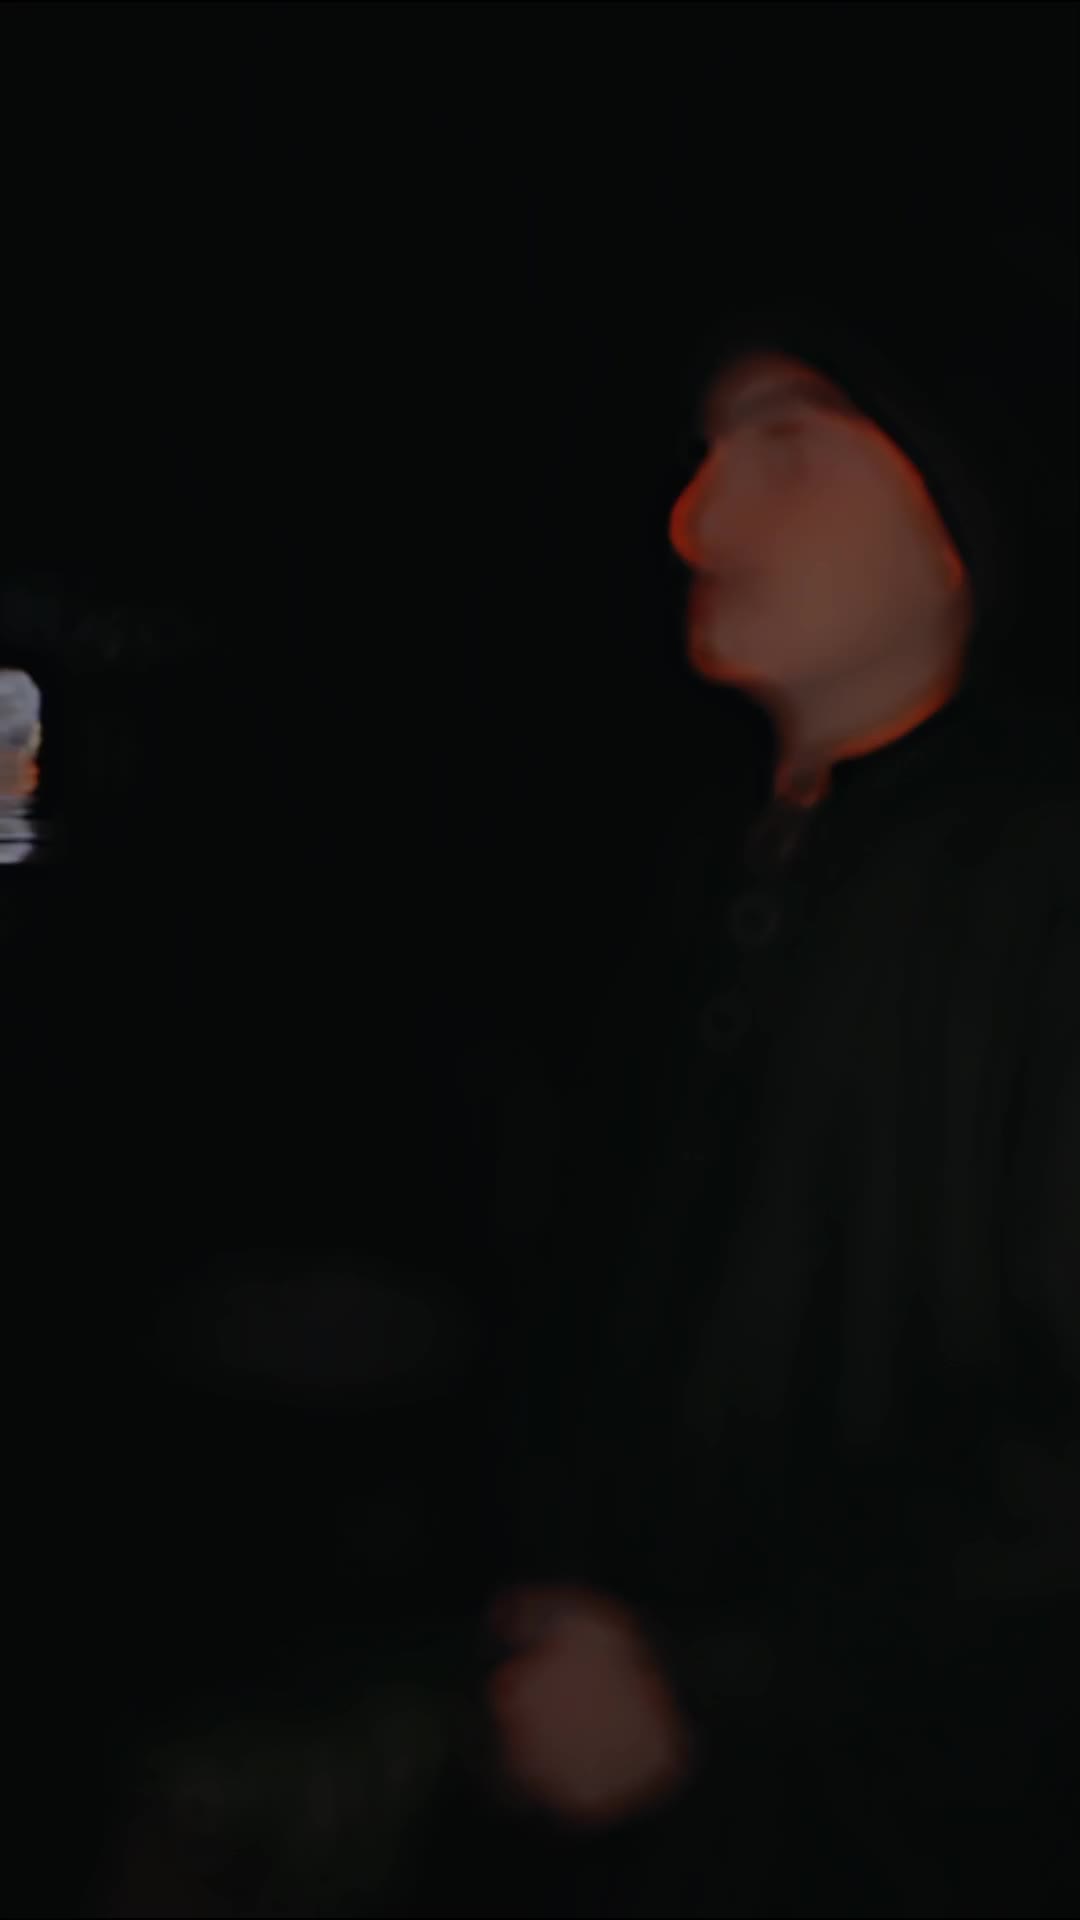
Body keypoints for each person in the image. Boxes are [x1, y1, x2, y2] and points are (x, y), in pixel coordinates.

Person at [478, 228, 1079, 1917]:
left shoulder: (1042, 884)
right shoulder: (711, 873)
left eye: (788, 445)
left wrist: (715, 1689)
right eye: (703, 455)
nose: (695, 517)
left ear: (964, 507)